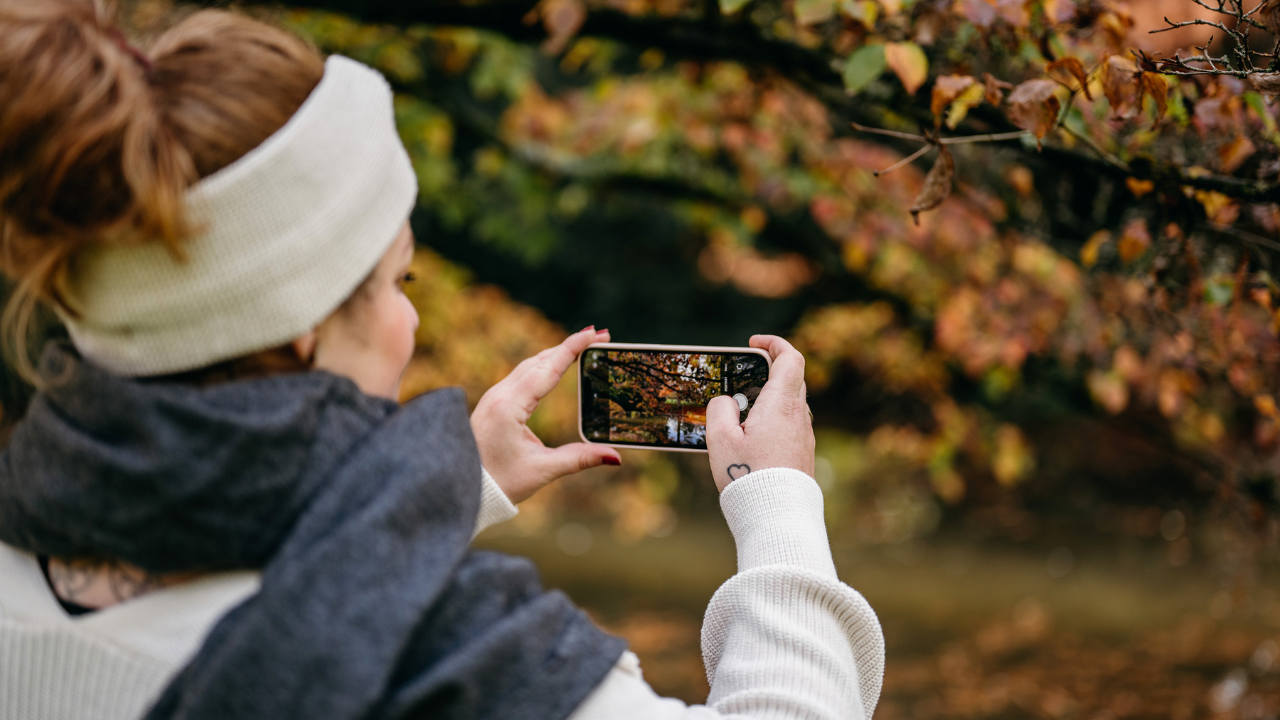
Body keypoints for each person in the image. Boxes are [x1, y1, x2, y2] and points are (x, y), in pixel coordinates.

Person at [0, 3, 884, 720]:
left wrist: (451, 493)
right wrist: (780, 510)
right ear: (302, 326)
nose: (411, 320)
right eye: (396, 280)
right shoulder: (454, 657)